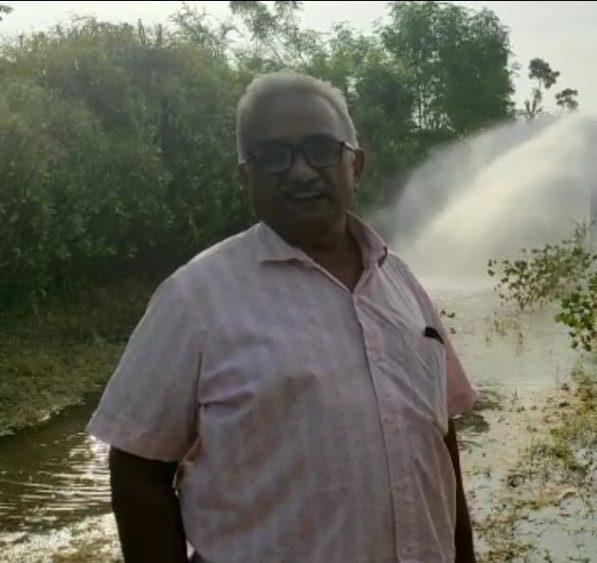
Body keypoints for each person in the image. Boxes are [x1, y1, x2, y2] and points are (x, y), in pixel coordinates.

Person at [86, 72, 478, 563]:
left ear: (355, 165)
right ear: (246, 176)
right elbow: (137, 473)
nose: (300, 172)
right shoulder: (195, 298)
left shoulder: (399, 281)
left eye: (321, 149)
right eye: (272, 155)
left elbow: (440, 439)